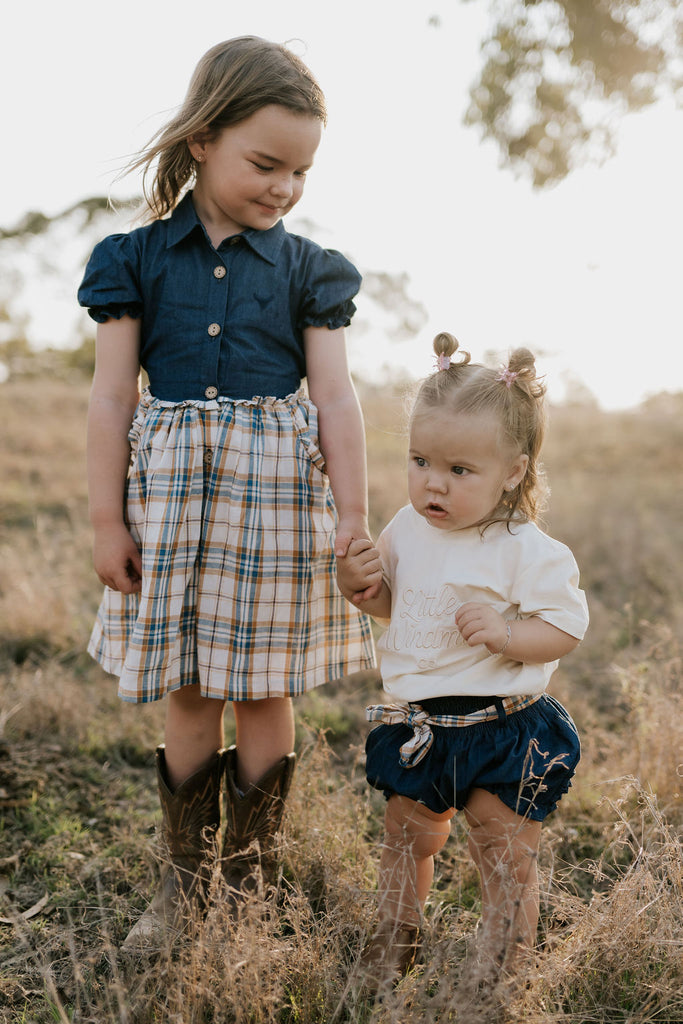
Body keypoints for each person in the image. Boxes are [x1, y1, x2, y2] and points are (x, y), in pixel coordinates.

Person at [78, 35, 376, 949]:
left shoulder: (308, 271)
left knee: (265, 687)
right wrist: (104, 515)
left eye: (300, 172)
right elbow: (109, 394)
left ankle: (248, 883)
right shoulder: (132, 258)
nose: (284, 187)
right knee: (191, 687)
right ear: (202, 138)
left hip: (273, 501)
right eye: (266, 163)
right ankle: (182, 889)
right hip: (169, 499)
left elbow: (333, 395)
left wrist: (355, 519)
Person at [336, 332, 588, 993]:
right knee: (405, 839)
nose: (432, 483)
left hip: (503, 727)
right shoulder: (407, 527)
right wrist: (362, 587)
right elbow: (397, 603)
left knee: (502, 855)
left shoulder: (524, 547)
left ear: (513, 471)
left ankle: (504, 972)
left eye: (458, 471)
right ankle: (395, 941)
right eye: (420, 460)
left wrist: (508, 633)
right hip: (421, 726)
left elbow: (562, 628)